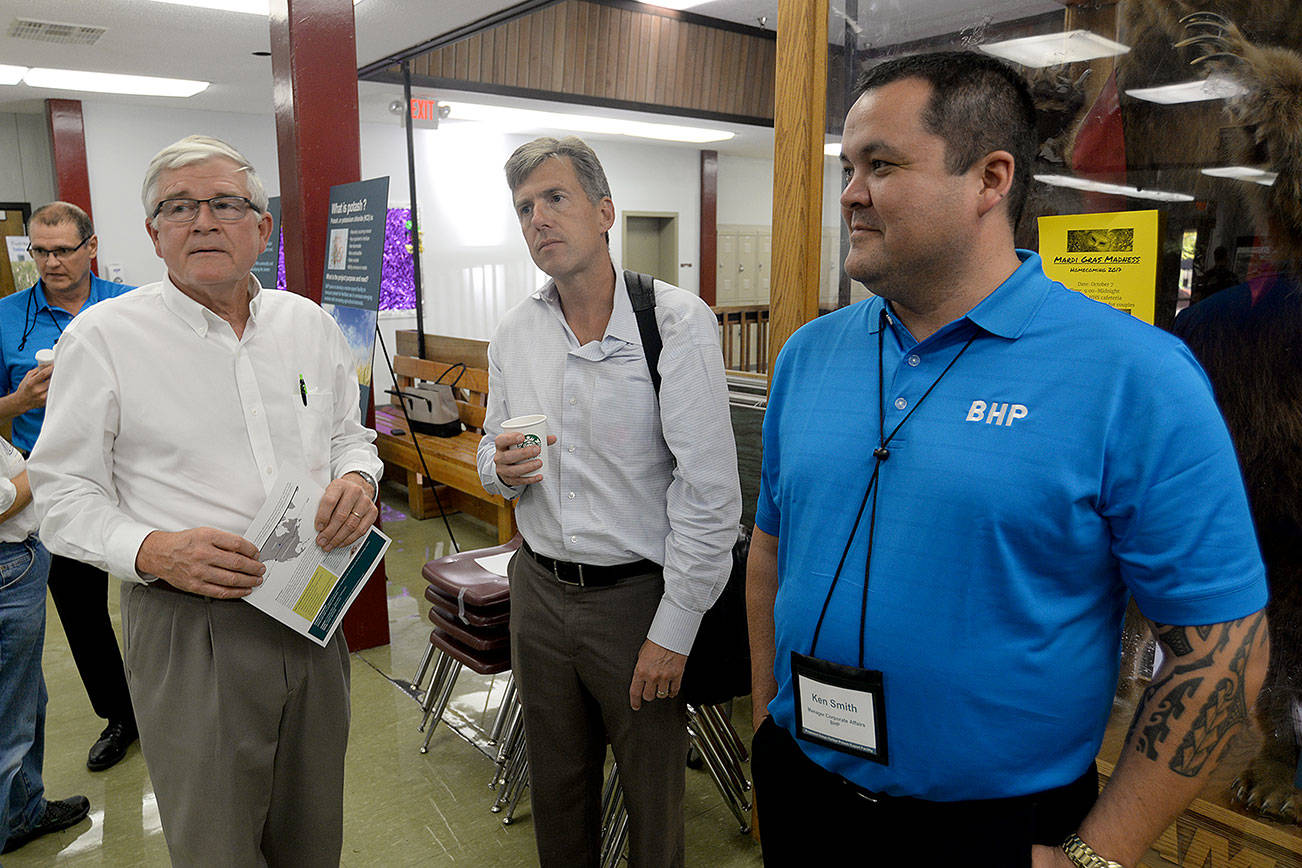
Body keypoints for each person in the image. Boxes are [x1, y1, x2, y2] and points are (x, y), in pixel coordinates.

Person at [746, 51, 1269, 868]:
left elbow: (1225, 648)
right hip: (803, 790)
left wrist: (1098, 857)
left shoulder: (1134, 376)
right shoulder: (808, 356)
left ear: (991, 179)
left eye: (880, 165)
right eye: (848, 166)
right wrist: (764, 732)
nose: (848, 193)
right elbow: (771, 556)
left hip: (995, 832)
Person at [27, 135, 383, 866]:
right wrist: (150, 549)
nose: (203, 221)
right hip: (192, 627)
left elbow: (350, 435)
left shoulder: (307, 324)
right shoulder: (104, 338)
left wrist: (357, 479)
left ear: (262, 226)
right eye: (178, 207)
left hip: (314, 610)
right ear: (153, 233)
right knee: (216, 844)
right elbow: (60, 492)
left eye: (225, 203)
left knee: (313, 834)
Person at [478, 136, 740, 866]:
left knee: (652, 802)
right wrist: (498, 466)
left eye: (555, 199)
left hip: (636, 601)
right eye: (525, 208)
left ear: (604, 212)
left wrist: (676, 627)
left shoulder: (676, 323)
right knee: (557, 792)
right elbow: (488, 457)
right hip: (538, 587)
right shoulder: (516, 333)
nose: (539, 220)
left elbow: (711, 494)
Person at [0, 202, 138, 772]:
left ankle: (174, 696)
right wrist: (18, 402)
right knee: (82, 612)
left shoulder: (130, 307)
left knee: (157, 595)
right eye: (40, 251)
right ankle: (121, 715)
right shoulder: (7, 317)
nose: (51, 263)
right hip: (57, 488)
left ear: (91, 247)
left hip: (134, 475)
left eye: (62, 250)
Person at [0, 435, 90, 854]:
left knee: (28, 700)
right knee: (9, 732)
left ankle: (24, 812)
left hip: (20, 560)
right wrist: (49, 461)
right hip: (9, 567)